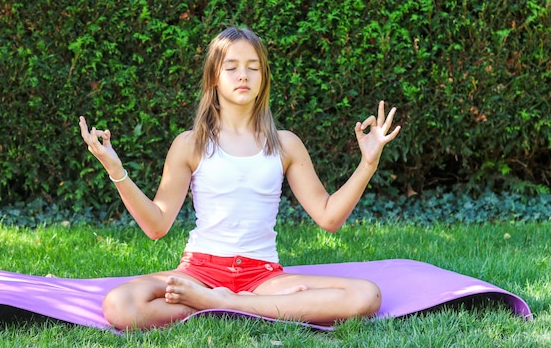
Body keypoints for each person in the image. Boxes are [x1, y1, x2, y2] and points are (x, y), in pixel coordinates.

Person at [79, 26, 401, 330]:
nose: (243, 75)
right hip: (199, 271)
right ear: (214, 77)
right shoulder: (189, 144)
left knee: (365, 296)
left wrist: (368, 163)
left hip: (262, 276)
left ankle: (220, 304)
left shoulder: (286, 144)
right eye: (231, 67)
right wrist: (115, 170)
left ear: (264, 77)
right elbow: (157, 225)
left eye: (253, 67)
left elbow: (329, 217)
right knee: (121, 304)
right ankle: (241, 305)